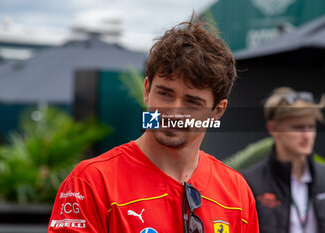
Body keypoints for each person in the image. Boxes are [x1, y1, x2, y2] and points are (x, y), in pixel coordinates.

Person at [48, 17, 259, 233]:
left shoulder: (236, 192)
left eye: (192, 101)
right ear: (147, 90)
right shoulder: (92, 182)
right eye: (165, 93)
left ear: (217, 111)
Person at [242, 87, 325, 233]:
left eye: (311, 127)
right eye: (298, 127)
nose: (307, 135)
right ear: (273, 129)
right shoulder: (250, 183)